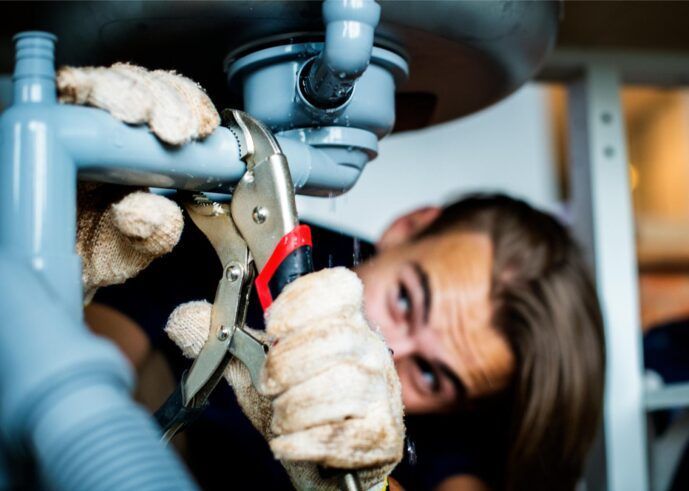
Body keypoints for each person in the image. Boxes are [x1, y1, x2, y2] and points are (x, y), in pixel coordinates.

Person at [68, 65, 606, 490]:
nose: (384, 346)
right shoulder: (222, 241)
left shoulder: (446, 433)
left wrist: (361, 485)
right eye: (404, 301)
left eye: (433, 377)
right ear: (407, 228)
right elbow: (86, 369)